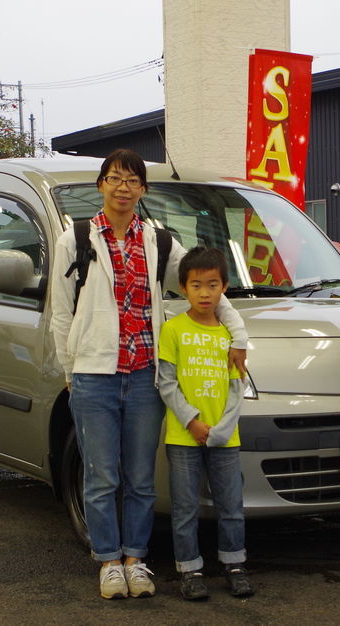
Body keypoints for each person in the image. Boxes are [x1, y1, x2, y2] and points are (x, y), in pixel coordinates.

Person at [50, 149, 248, 599]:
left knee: (140, 478)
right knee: (101, 475)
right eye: (115, 178)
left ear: (143, 190)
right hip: (93, 375)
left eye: (133, 180)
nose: (124, 187)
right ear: (101, 184)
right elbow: (61, 313)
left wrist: (238, 335)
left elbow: (206, 283)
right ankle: (108, 561)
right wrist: (69, 368)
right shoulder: (76, 238)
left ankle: (136, 560)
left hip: (143, 375)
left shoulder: (157, 240)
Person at [157, 246, 253, 601]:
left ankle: (235, 565)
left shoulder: (230, 336)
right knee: (184, 509)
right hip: (184, 437)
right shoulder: (172, 329)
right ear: (184, 287)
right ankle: (189, 569)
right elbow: (166, 383)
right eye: (196, 285)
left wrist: (223, 429)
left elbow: (237, 386)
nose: (204, 293)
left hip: (226, 439)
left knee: (231, 507)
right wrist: (192, 421)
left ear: (224, 287)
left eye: (212, 285)